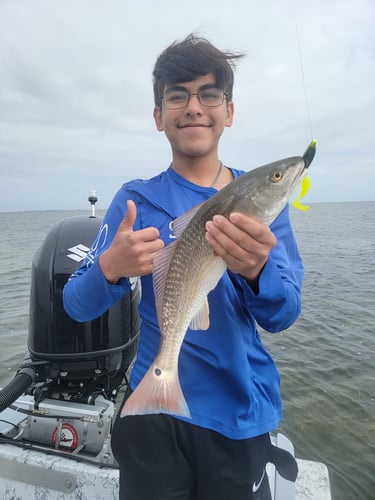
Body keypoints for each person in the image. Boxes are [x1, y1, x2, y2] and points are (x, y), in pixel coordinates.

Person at [63, 34, 303, 500]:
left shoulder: (266, 209)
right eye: (178, 95)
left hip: (237, 416)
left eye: (209, 93)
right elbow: (75, 305)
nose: (194, 106)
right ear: (159, 116)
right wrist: (110, 268)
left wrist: (257, 272)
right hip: (152, 415)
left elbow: (284, 314)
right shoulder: (135, 200)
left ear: (228, 111)